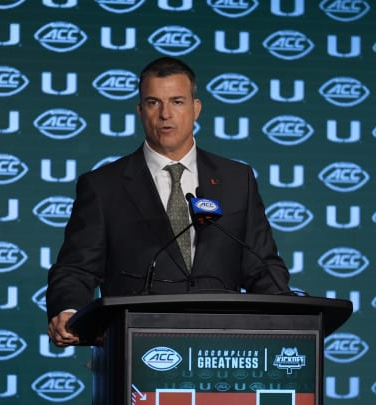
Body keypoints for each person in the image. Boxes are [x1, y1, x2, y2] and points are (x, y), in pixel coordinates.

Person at [46, 57, 290, 347]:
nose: (165, 114)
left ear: (195, 109)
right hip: (136, 348)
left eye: (177, 101)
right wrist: (69, 310)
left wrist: (288, 316)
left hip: (223, 348)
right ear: (140, 111)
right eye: (153, 103)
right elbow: (77, 269)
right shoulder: (103, 186)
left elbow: (262, 266)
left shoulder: (238, 180)